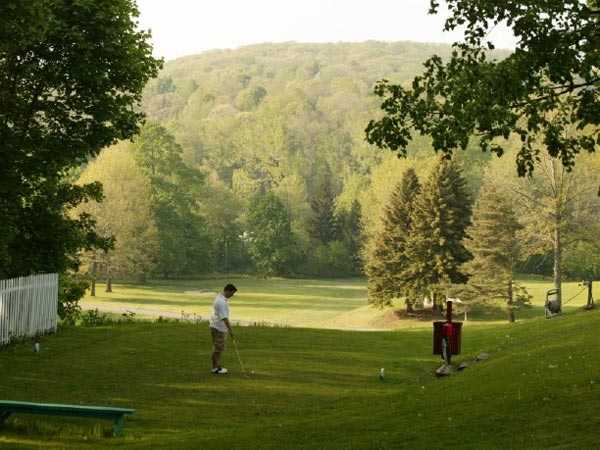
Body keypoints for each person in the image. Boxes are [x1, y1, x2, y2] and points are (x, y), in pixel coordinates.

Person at [209, 283, 237, 374]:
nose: (232, 296)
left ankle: (217, 366)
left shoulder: (221, 298)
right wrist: (231, 330)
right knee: (218, 348)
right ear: (227, 291)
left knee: (218, 348)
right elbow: (224, 318)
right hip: (219, 328)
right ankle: (215, 368)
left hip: (216, 326)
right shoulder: (221, 302)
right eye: (232, 293)